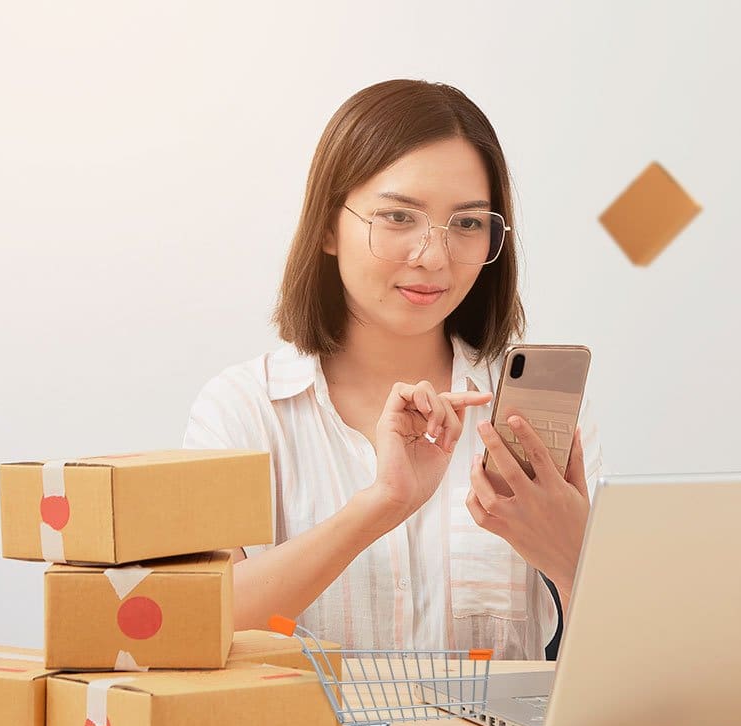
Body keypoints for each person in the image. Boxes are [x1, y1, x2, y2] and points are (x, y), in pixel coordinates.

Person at [183, 79, 602, 660]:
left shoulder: (537, 419)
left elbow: (622, 670)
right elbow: (196, 627)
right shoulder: (244, 410)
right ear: (329, 226)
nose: (434, 256)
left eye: (468, 223)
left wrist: (571, 555)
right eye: (399, 216)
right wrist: (382, 501)